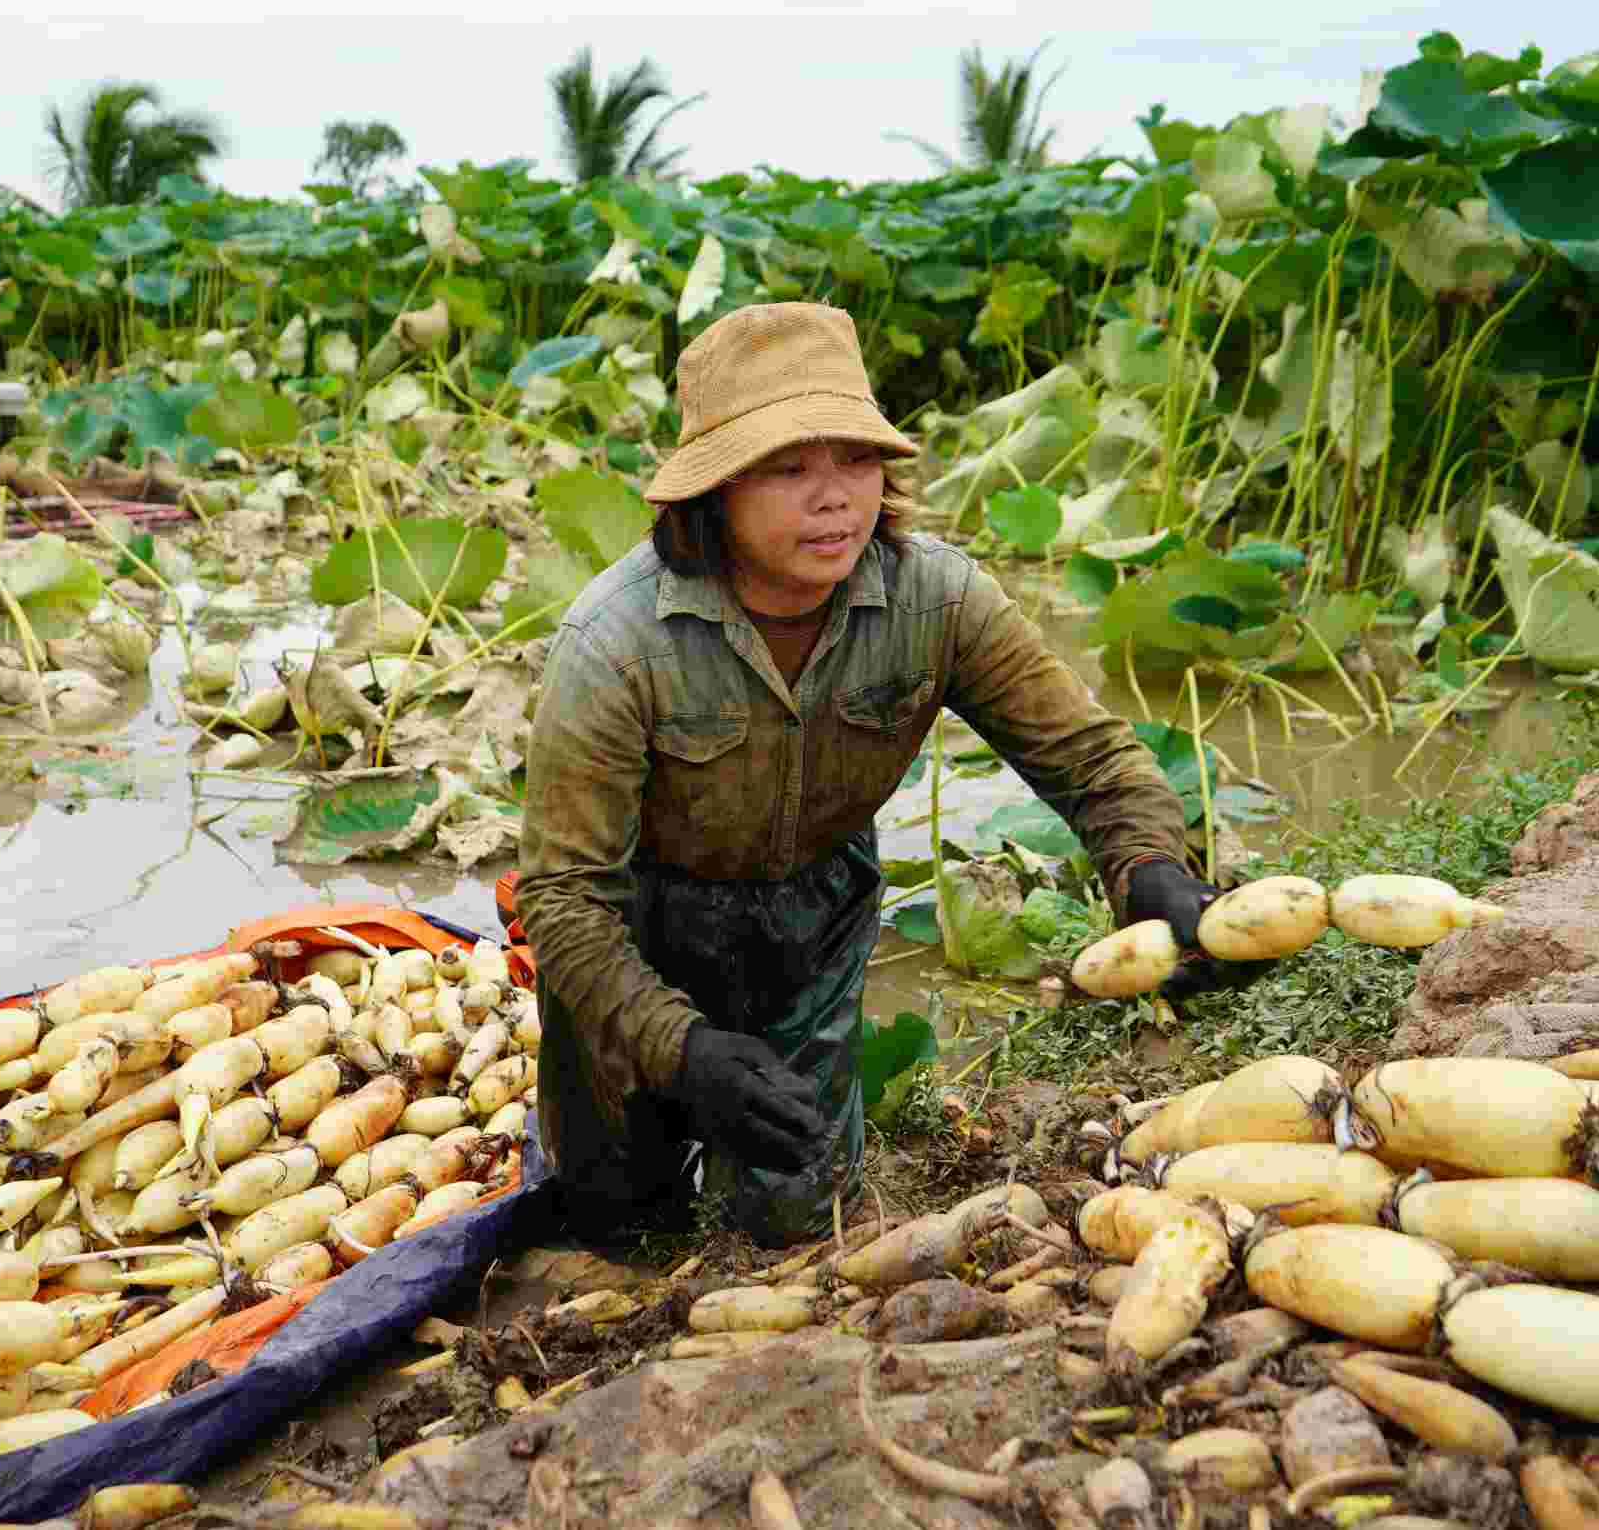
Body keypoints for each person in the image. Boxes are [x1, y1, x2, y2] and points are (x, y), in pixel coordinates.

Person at [509, 301, 1239, 1247]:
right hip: (633, 930)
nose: (834, 496)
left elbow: (1091, 759)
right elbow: (563, 899)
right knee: (618, 1220)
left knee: (794, 1223)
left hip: (809, 922)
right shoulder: (615, 642)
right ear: (715, 488)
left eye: (854, 458)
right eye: (787, 467)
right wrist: (679, 1049)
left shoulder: (936, 599)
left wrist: (1150, 869)